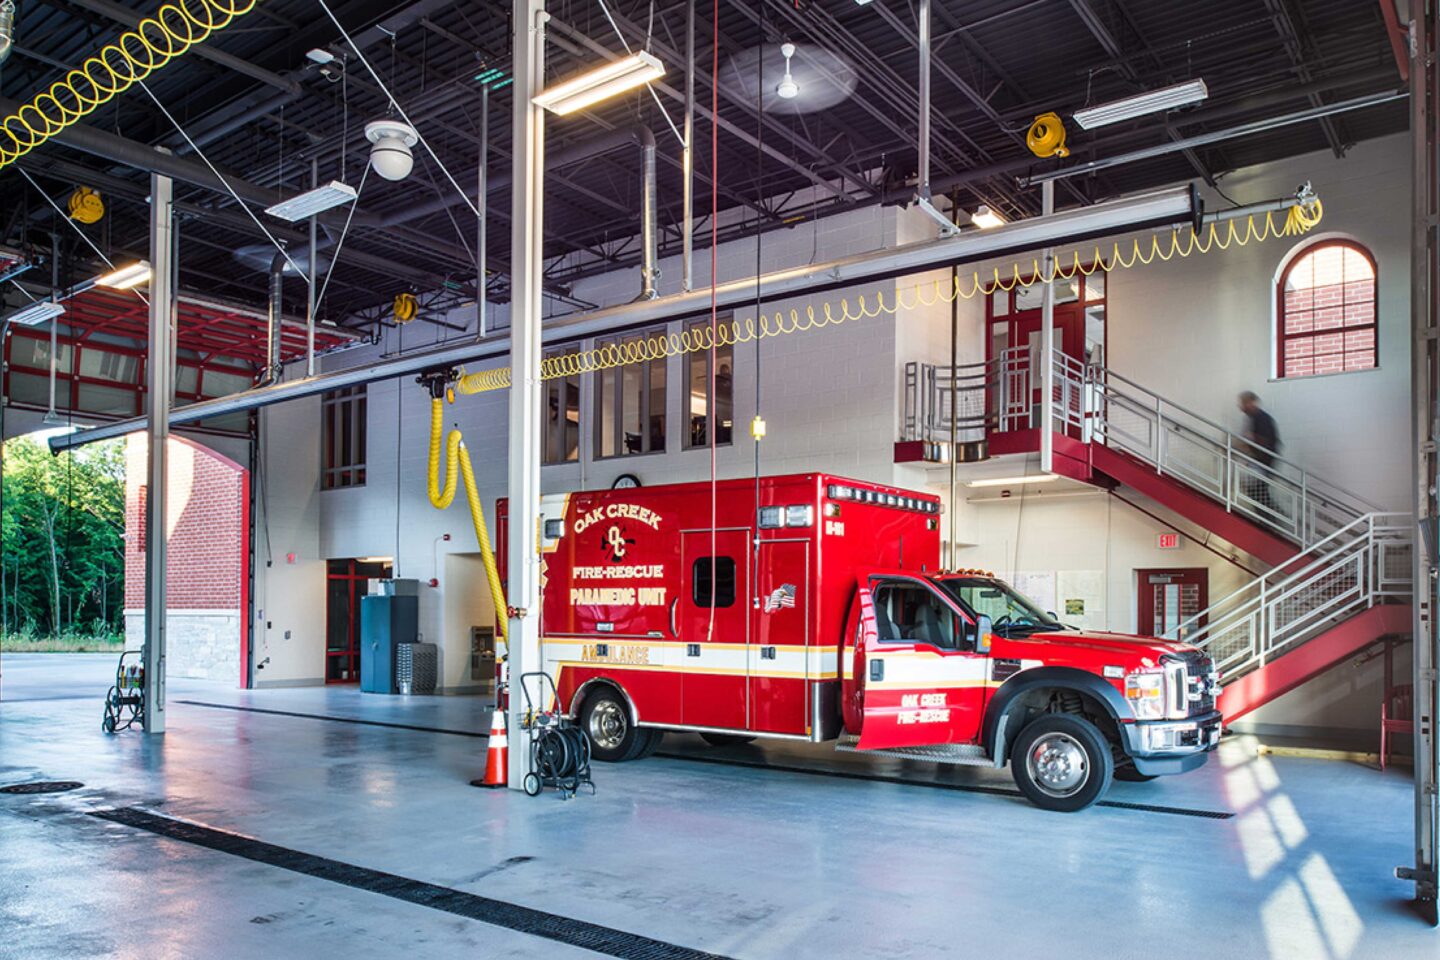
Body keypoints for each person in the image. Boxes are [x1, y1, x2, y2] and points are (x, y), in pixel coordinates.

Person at [1238, 391, 1281, 514]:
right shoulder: (1254, 418)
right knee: (1258, 493)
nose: (1242, 407)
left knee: (1258, 493)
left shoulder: (1261, 418)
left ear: (1252, 402)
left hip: (1265, 462)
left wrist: (1249, 439)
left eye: (1244, 403)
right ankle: (1270, 520)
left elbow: (1263, 442)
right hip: (1261, 461)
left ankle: (1270, 522)